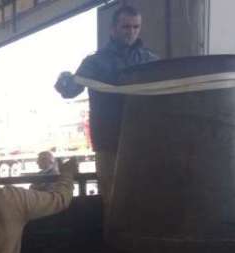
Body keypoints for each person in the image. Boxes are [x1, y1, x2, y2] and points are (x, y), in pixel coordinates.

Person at [55, 5, 158, 207]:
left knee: (146, 198)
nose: (131, 32)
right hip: (109, 143)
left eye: (136, 27)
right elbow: (71, 90)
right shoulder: (94, 63)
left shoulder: (150, 60)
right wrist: (65, 82)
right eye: (126, 27)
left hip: (144, 141)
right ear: (113, 29)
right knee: (113, 201)